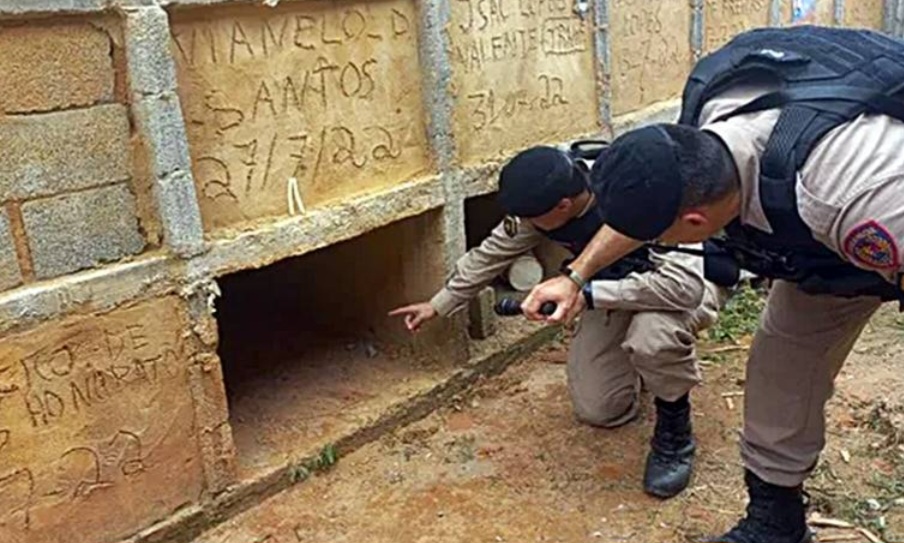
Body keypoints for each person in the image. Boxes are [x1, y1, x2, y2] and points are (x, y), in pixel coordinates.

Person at [521, 25, 904, 543]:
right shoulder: (702, 134)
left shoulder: (851, 195)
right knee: (780, 367)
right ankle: (775, 523)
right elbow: (647, 207)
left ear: (697, 224)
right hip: (823, 246)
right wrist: (576, 275)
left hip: (875, 199)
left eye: (656, 236)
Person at [389, 144, 730, 499]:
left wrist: (587, 294)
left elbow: (682, 289)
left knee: (652, 338)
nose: (526, 225)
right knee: (600, 409)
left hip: (685, 286)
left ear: (564, 206)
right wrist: (439, 304)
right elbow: (491, 254)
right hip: (612, 289)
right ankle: (643, 368)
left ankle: (675, 431)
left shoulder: (639, 190)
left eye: (533, 218)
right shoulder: (549, 202)